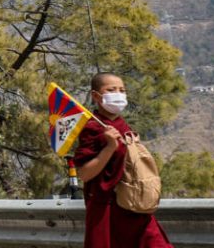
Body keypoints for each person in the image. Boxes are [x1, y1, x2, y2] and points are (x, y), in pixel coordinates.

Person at [74, 72, 172, 248]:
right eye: (111, 90)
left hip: (134, 202)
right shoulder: (92, 127)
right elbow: (84, 173)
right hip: (107, 207)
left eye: (122, 90)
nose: (118, 94)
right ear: (96, 96)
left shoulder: (123, 126)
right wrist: (109, 147)